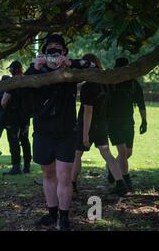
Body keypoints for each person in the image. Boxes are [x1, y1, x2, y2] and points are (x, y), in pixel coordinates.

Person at [25, 34, 95, 231]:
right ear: (44, 52)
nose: (53, 52)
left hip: (65, 133)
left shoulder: (72, 71)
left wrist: (70, 62)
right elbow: (23, 90)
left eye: (57, 48)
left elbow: (94, 67)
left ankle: (63, 218)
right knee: (48, 174)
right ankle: (52, 213)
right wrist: (34, 67)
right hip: (42, 132)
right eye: (50, 49)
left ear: (64, 51)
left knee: (64, 176)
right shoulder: (36, 71)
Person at [71, 54, 127, 196]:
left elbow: (88, 112)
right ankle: (120, 183)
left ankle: (72, 184)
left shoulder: (88, 87)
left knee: (77, 154)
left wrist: (85, 135)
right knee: (107, 153)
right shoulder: (105, 83)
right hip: (102, 123)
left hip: (88, 125)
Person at [107, 57, 147, 191]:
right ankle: (126, 180)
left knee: (128, 153)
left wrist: (144, 121)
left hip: (129, 122)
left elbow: (141, 103)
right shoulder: (110, 83)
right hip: (113, 122)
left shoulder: (134, 84)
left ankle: (111, 167)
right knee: (123, 153)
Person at [1, 61, 32, 175]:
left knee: (13, 141)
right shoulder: (27, 81)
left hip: (13, 116)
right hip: (25, 116)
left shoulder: (12, 82)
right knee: (25, 140)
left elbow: (4, 101)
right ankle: (27, 166)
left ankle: (16, 167)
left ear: (13, 70)